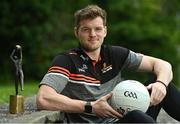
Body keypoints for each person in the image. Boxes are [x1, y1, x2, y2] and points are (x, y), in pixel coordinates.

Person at [36, 5, 180, 123]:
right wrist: (90, 107)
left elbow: (163, 65)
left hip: (122, 118)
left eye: (98, 29)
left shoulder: (115, 54)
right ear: (76, 32)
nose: (93, 34)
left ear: (105, 31)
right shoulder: (66, 60)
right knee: (137, 117)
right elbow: (43, 98)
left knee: (160, 84)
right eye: (86, 29)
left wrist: (161, 84)